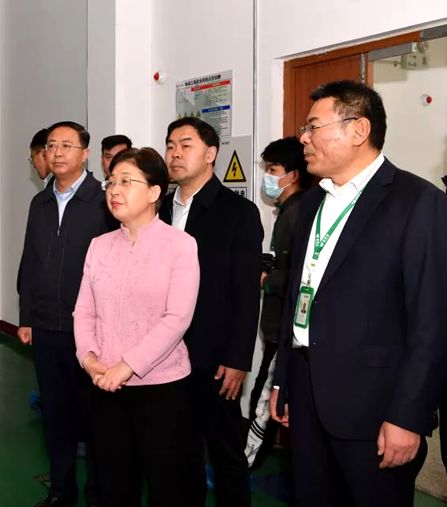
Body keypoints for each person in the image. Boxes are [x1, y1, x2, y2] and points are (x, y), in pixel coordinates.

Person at [270, 80, 447, 507]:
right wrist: (284, 380)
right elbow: (298, 295)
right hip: (307, 393)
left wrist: (408, 415)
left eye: (313, 126)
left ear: (358, 130)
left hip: (375, 407)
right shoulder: (311, 204)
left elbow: (433, 321)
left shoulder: (418, 202)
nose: (303, 138)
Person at [75, 147, 206, 507]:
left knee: (168, 486)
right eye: (111, 181)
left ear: (154, 192)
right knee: (114, 484)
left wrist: (127, 366)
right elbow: (84, 311)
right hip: (104, 385)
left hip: (161, 390)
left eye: (126, 181)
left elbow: (177, 318)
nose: (114, 190)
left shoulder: (180, 245)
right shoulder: (99, 246)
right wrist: (88, 358)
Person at [160, 117, 262, 507]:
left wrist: (237, 359)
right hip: (164, 353)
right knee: (177, 451)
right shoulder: (160, 209)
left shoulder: (238, 212)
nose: (175, 153)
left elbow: (245, 294)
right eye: (171, 145)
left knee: (225, 453)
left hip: (213, 356)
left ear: (210, 154)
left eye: (186, 144)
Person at [17, 121, 116, 507]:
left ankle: (98, 495)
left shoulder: (103, 200)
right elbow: (29, 261)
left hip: (92, 331)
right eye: (51, 146)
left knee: (95, 419)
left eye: (66, 146)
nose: (56, 153)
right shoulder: (39, 203)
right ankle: (61, 490)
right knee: (56, 416)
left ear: (85, 154)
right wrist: (26, 315)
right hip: (46, 327)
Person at [244, 136, 311, 469]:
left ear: (293, 174)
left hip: (285, 328)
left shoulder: (298, 213)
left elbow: (300, 276)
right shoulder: (288, 210)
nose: (267, 177)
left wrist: (266, 280)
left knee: (264, 398)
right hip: (276, 327)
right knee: (266, 394)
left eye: (272, 170)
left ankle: (247, 462)